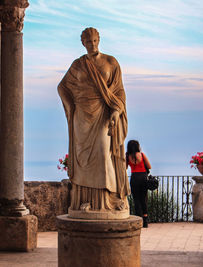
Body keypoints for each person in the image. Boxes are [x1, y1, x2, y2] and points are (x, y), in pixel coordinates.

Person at [57, 27, 130, 215]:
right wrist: (71, 107)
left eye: (95, 41)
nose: (92, 45)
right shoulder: (78, 65)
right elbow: (62, 87)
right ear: (83, 43)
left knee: (103, 153)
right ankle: (85, 201)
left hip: (103, 114)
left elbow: (119, 92)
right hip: (81, 116)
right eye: (88, 42)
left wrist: (116, 111)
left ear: (99, 40)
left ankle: (109, 200)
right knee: (83, 159)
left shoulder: (111, 62)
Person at [126, 140, 151, 227]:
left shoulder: (128, 156)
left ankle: (138, 220)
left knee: (136, 199)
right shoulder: (142, 155)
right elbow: (149, 166)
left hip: (134, 178)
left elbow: (125, 167)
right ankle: (145, 221)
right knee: (143, 199)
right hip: (143, 177)